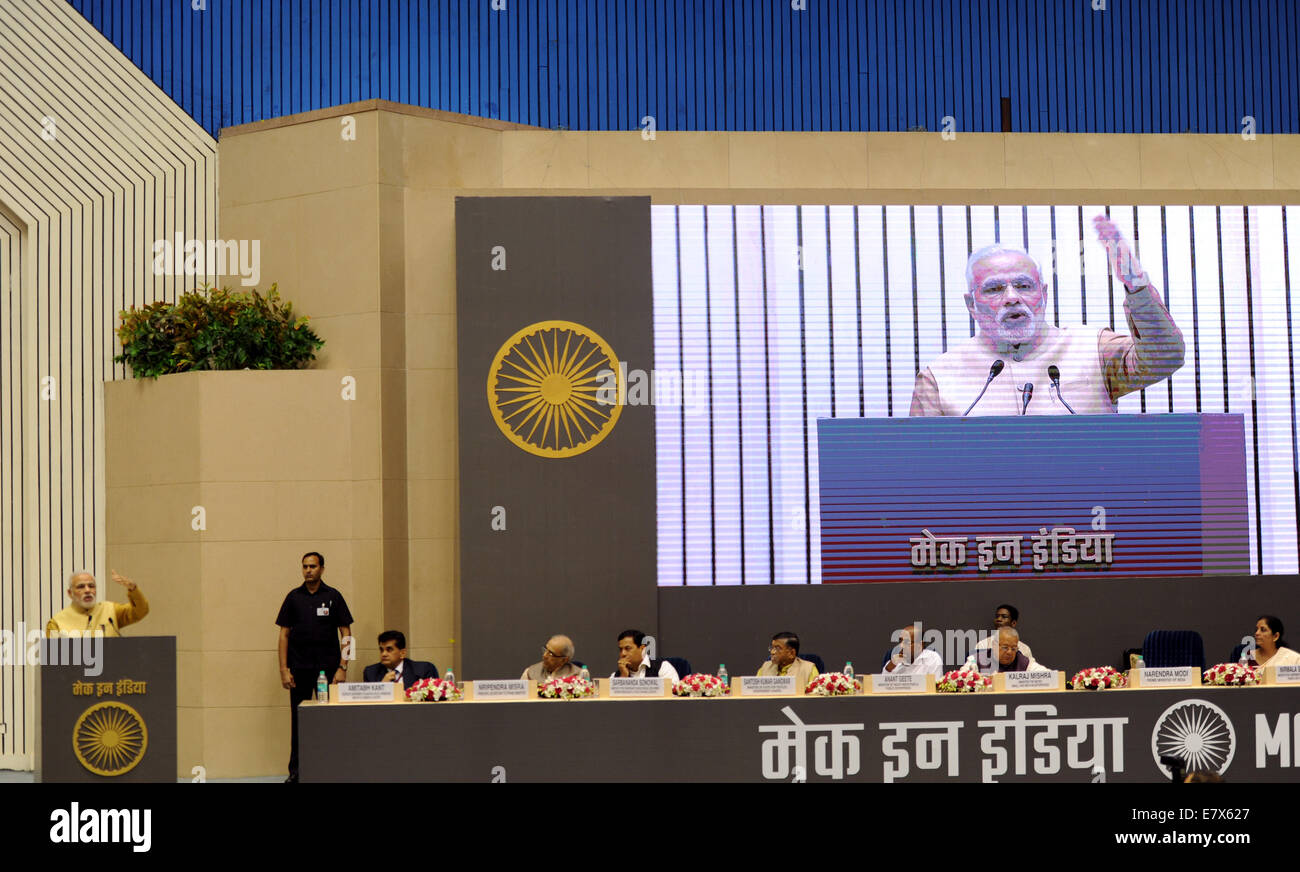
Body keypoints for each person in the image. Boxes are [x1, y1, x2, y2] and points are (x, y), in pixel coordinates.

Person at [910, 215, 1184, 416]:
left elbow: (1165, 358)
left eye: (1023, 285)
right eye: (994, 289)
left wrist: (1136, 286)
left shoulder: (1091, 347)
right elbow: (920, 465)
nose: (1011, 297)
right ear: (972, 304)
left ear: (1043, 293)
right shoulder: (939, 377)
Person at [275, 551, 354, 783]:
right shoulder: (293, 598)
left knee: (329, 719)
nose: (308, 570)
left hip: (329, 671)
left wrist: (343, 667)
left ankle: (331, 769)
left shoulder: (334, 596)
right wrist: (283, 669)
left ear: (322, 569)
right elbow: (283, 635)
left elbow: (347, 633)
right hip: (299, 669)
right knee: (298, 721)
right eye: (305, 566)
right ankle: (296, 773)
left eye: (312, 566)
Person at [46, 570, 149, 636]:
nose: (87, 590)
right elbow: (52, 661)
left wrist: (133, 589)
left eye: (91, 586)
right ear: (70, 593)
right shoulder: (57, 622)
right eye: (81, 587)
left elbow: (140, 611)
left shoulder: (110, 610)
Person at [362, 630, 438, 689]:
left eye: (389, 650)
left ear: (402, 653)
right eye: (381, 650)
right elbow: (369, 704)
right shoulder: (371, 672)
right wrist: (382, 687)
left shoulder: (424, 670)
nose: (384, 654)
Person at [965, 627, 1049, 673]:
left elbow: (1048, 675)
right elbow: (962, 678)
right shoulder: (976, 659)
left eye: (1013, 648)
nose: (1010, 652)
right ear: (994, 645)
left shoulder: (1024, 662)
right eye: (1005, 647)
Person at [611, 629, 679, 682]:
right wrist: (623, 677)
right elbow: (608, 697)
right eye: (620, 649)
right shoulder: (617, 675)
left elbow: (672, 695)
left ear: (642, 648)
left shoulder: (663, 667)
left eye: (627, 648)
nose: (623, 653)